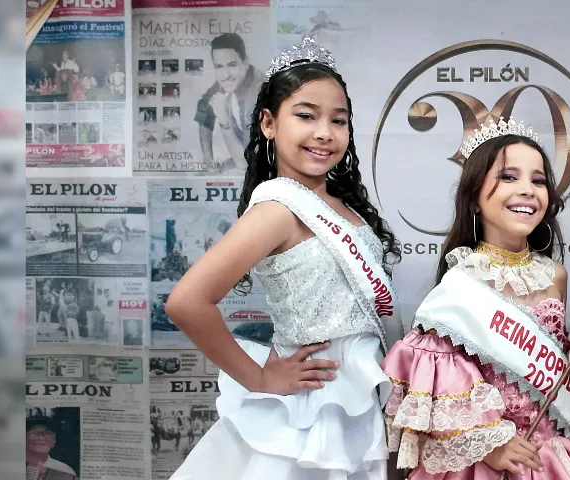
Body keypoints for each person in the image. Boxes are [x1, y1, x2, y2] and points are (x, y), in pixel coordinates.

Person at [164, 36, 402, 479]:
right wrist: (258, 379)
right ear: (269, 123)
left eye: (338, 120)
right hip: (316, 407)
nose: (324, 133)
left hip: (359, 395)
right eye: (306, 116)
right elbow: (185, 302)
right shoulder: (276, 210)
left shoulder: (344, 208)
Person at [380, 119, 570, 479]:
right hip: (486, 460)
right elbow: (442, 380)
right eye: (509, 177)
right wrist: (490, 442)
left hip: (548, 456)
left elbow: (547, 379)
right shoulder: (463, 280)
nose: (527, 189)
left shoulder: (555, 275)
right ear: (475, 199)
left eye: (538, 180)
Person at [196, 33, 261, 174]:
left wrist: (223, 119)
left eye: (232, 65)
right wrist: (208, 161)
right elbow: (204, 107)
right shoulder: (231, 81)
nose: (225, 75)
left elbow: (245, 162)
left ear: (245, 62)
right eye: (219, 66)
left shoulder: (256, 93)